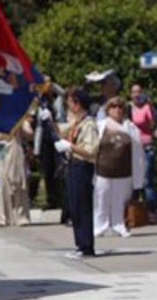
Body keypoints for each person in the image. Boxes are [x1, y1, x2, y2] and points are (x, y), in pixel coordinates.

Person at [55, 87, 99, 258]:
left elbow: (91, 150)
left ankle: (86, 246)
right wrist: (47, 119)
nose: (68, 105)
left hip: (83, 166)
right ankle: (80, 244)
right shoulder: (77, 122)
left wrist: (70, 147)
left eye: (70, 102)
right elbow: (60, 130)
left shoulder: (89, 124)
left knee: (82, 206)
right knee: (74, 207)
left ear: (77, 104)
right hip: (73, 166)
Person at [94, 96, 145, 237]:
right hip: (103, 170)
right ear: (108, 109)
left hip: (123, 171)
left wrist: (138, 179)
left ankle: (119, 225)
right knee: (101, 199)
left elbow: (138, 154)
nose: (117, 109)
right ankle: (99, 226)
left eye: (120, 107)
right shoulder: (100, 126)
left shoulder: (131, 128)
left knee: (120, 201)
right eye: (114, 106)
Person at [0, 118, 34, 226]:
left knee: (18, 183)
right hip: (2, 151)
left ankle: (21, 216)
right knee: (3, 185)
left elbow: (30, 134)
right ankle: (4, 217)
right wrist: (2, 135)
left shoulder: (19, 117)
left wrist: (19, 125)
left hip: (16, 150)